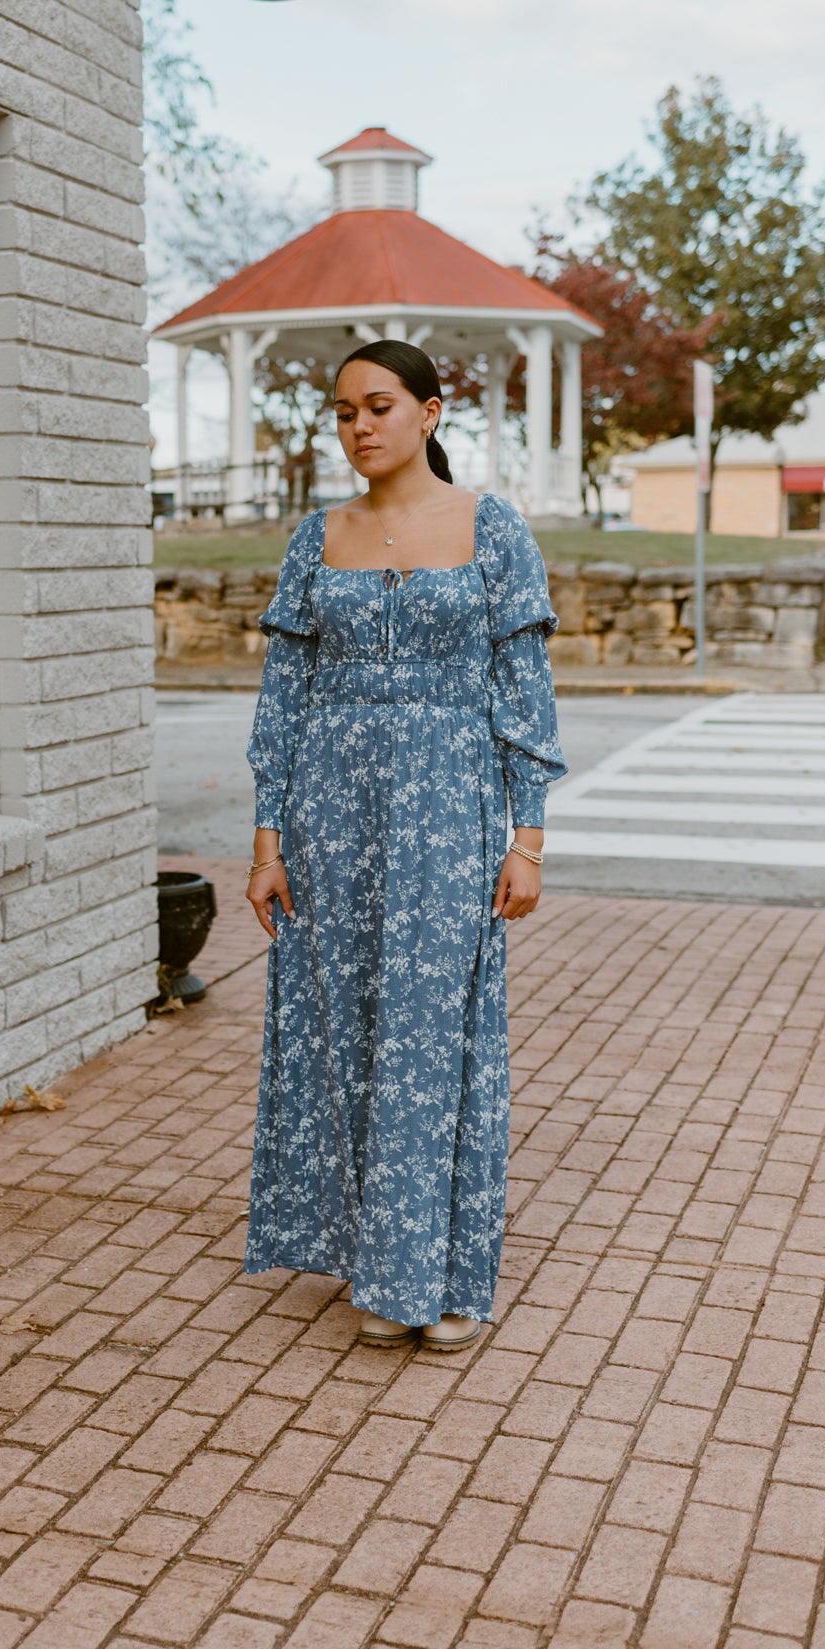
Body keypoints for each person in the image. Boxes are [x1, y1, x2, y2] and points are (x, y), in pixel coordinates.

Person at [243, 342, 566, 1351]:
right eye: (342, 411)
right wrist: (266, 839)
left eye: (377, 405)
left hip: (449, 803)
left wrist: (528, 838)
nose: (358, 426)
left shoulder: (490, 526)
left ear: (429, 410)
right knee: (342, 1029)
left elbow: (525, 690)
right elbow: (284, 697)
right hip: (329, 813)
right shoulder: (316, 535)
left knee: (436, 1037)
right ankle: (375, 1266)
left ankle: (444, 1274)